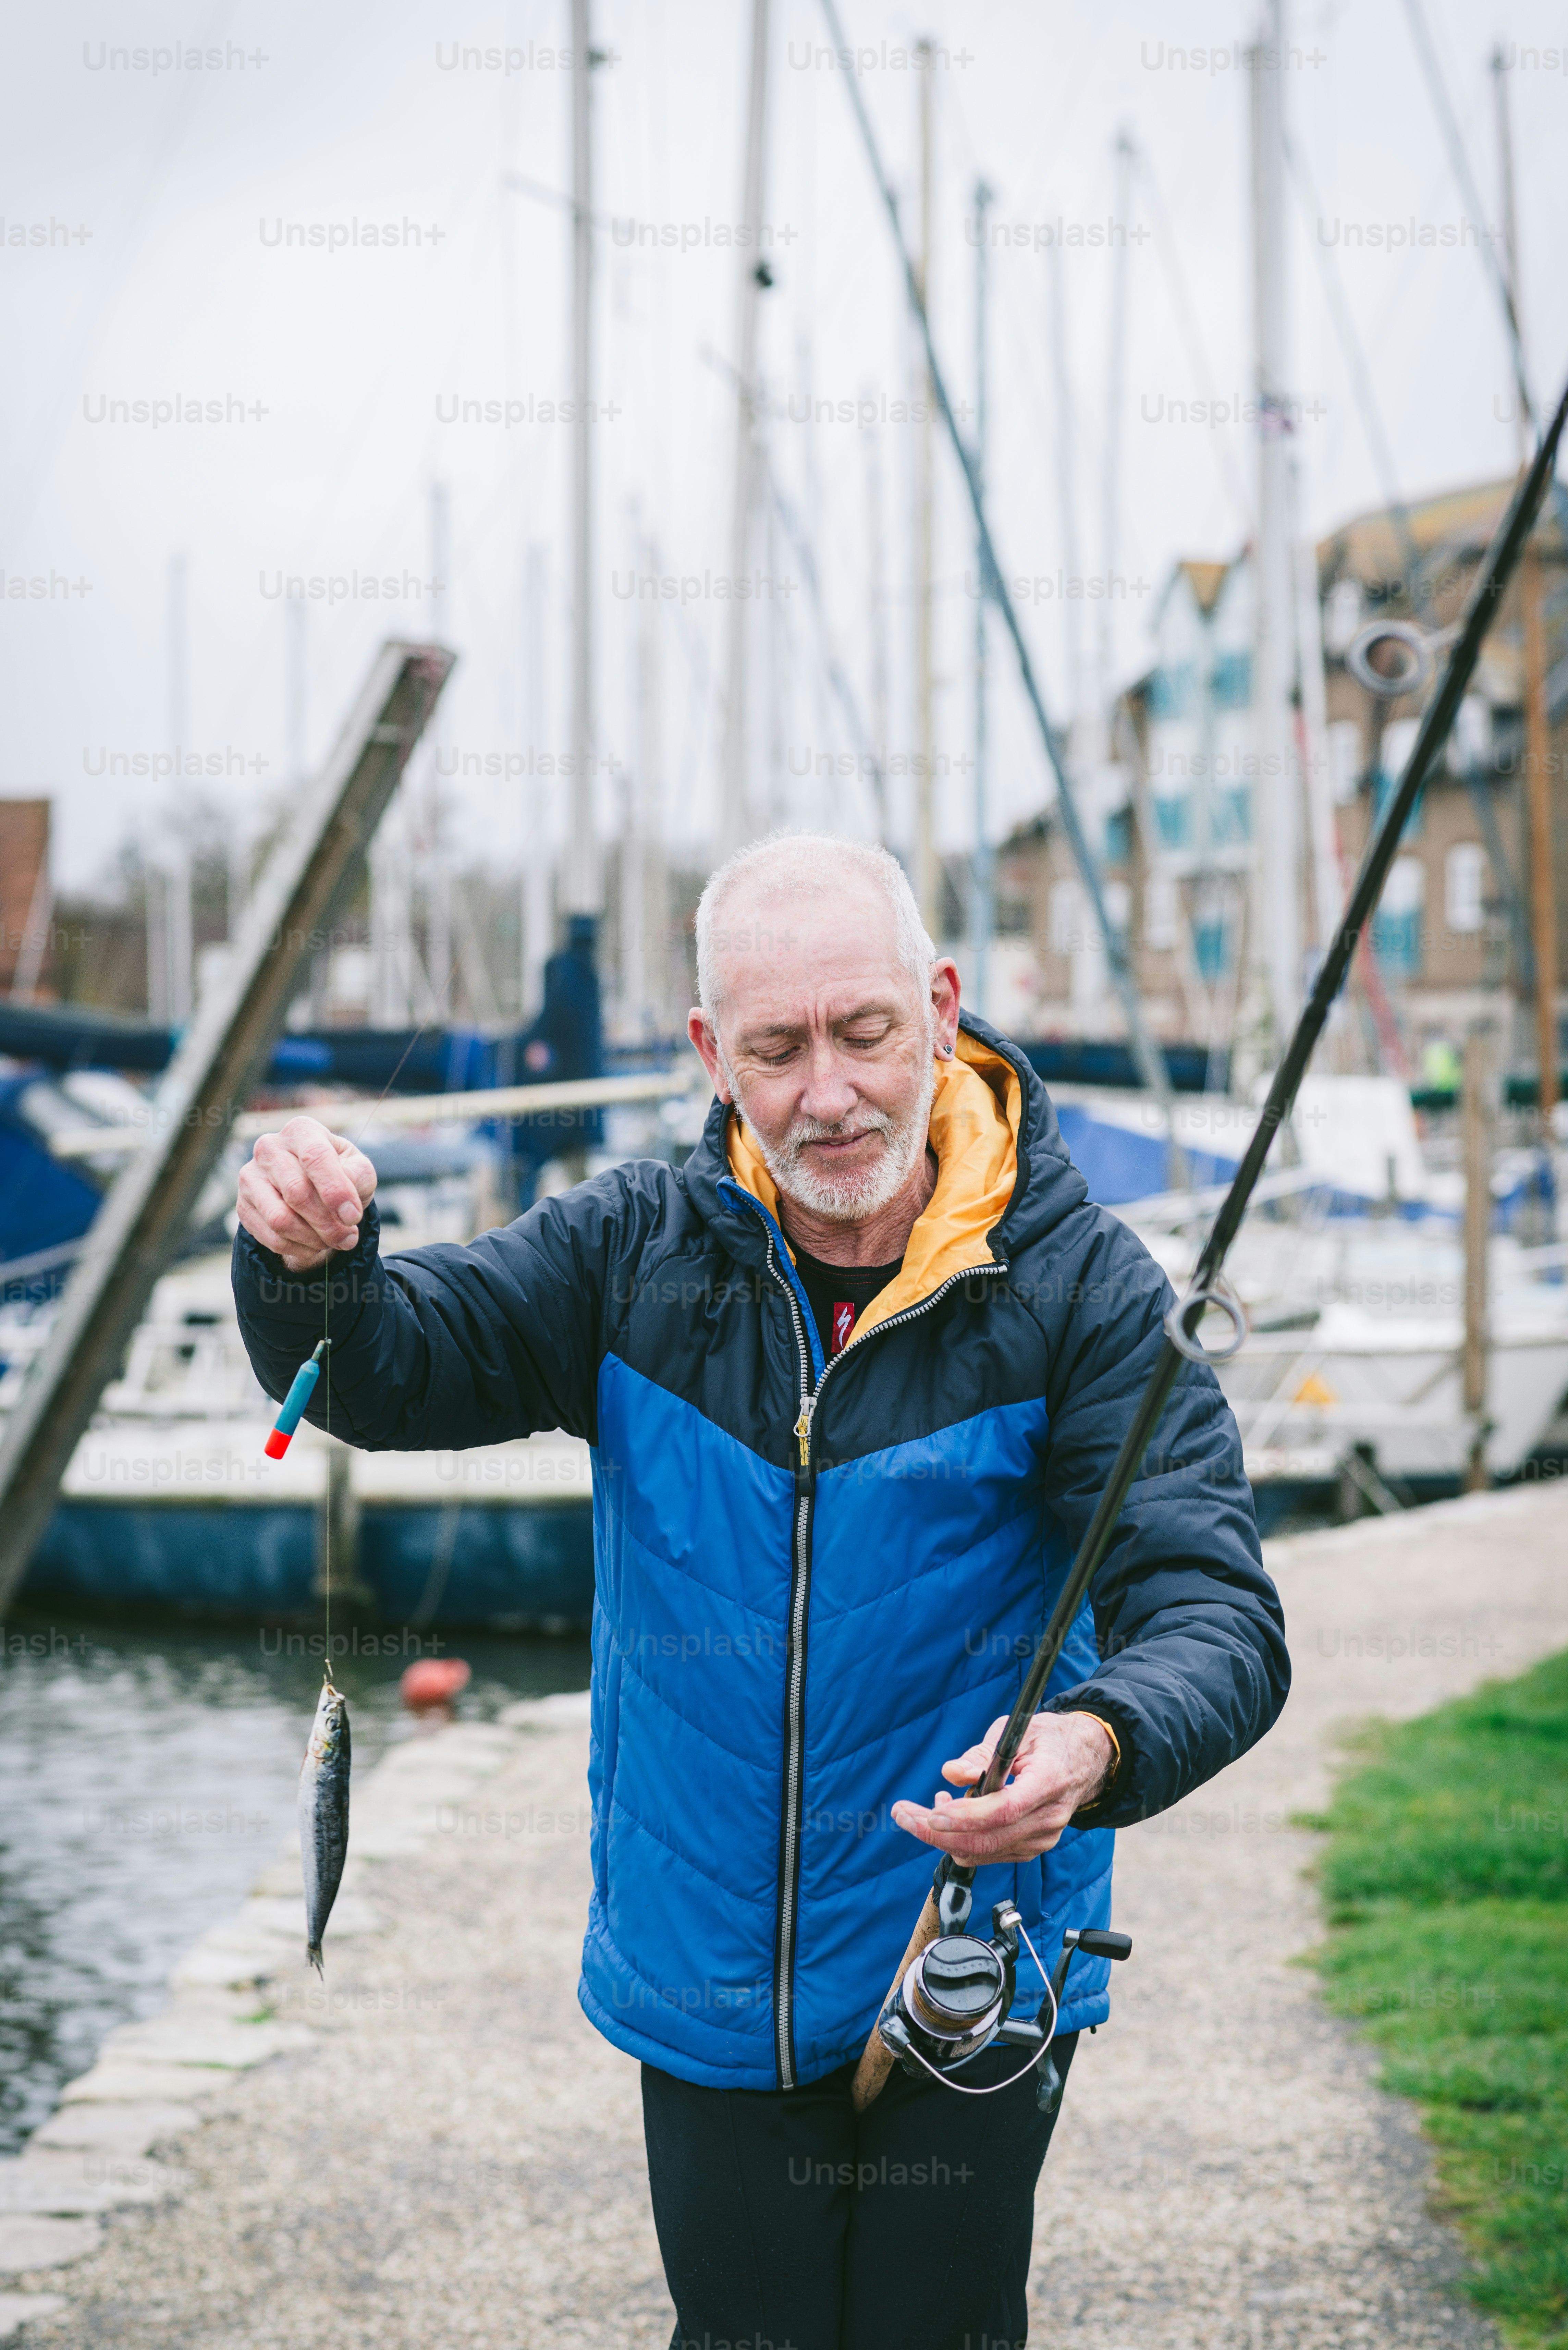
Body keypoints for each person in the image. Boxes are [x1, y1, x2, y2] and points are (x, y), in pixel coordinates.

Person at [233, 831, 1288, 2350]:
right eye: (777, 1048)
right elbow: (392, 1359)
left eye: (863, 1033)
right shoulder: (628, 1250)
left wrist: (1095, 1741)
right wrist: (307, 1260)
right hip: (708, 1969)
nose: (830, 1091)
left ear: (938, 1006)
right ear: (710, 1053)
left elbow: (1216, 1609)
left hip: (971, 1960)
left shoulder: (1085, 1287)